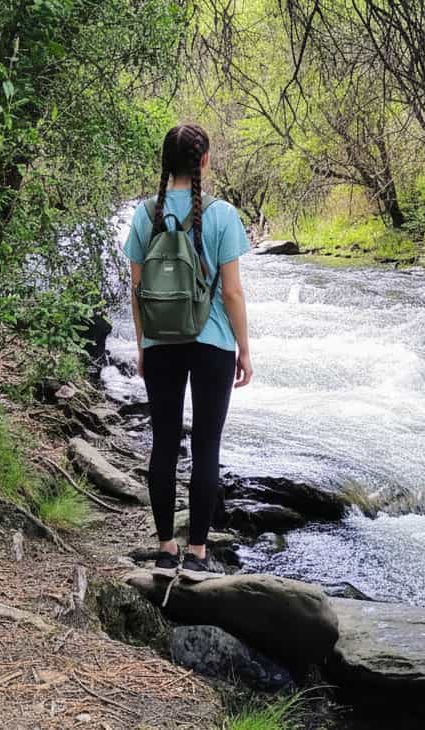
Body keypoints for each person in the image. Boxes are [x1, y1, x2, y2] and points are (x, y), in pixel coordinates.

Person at [124, 123, 253, 578]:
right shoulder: (222, 215)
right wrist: (244, 349)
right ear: (204, 161)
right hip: (212, 343)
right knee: (206, 446)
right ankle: (197, 553)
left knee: (163, 443)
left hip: (161, 344)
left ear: (165, 164)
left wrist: (143, 344)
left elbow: (137, 290)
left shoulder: (145, 213)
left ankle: (165, 548)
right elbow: (233, 293)